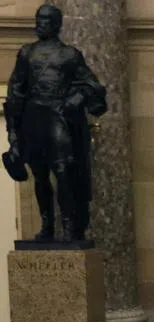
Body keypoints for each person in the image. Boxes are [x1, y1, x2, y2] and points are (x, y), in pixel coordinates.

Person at [2, 3, 106, 243]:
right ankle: (47, 224)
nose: (39, 24)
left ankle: (70, 226)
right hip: (33, 117)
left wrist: (77, 98)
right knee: (39, 174)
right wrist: (13, 133)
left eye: (45, 21)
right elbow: (16, 90)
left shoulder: (69, 55)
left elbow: (93, 85)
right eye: (38, 20)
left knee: (63, 172)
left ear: (57, 25)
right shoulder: (26, 53)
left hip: (58, 116)